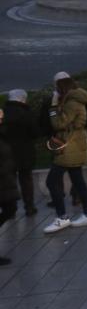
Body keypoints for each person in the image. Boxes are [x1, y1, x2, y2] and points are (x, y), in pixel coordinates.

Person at [43, 73, 87, 234]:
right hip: (76, 144)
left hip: (69, 147)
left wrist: (52, 108)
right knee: (78, 180)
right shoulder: (78, 100)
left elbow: (58, 123)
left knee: (52, 181)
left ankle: (62, 217)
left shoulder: (72, 103)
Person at [0, 89, 40, 216]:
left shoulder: (3, 112)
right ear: (23, 99)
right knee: (26, 179)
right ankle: (29, 206)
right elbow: (35, 132)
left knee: (9, 181)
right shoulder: (27, 113)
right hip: (25, 152)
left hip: (6, 152)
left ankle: (11, 208)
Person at [0, 108, 17, 265]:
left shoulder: (3, 133)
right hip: (3, 180)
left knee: (11, 208)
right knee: (9, 208)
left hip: (6, 181)